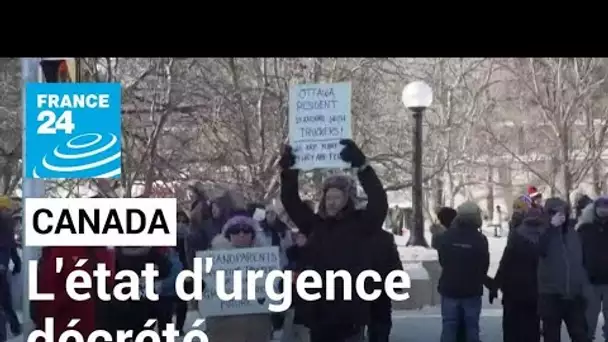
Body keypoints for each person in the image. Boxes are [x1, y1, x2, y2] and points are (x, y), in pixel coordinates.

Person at [279, 139, 388, 342]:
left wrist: (363, 167)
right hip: (319, 313)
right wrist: (289, 171)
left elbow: (379, 201)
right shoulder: (315, 225)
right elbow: (291, 202)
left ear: (348, 200)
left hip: (350, 314)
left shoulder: (361, 225)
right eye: (329, 197)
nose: (332, 202)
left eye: (337, 197)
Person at [205, 215, 273, 341]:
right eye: (235, 231)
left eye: (246, 231)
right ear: (228, 235)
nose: (241, 234)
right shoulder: (212, 260)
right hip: (223, 323)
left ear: (253, 234)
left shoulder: (266, 260)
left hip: (256, 322)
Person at [537, 197, 589, 342]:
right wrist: (551, 228)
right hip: (551, 295)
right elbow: (538, 250)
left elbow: (582, 261)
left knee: (580, 335)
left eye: (563, 212)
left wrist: (583, 288)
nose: (560, 216)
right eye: (555, 212)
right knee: (551, 336)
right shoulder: (541, 231)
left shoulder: (573, 233)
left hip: (574, 295)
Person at [436, 201, 489, 342]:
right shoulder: (480, 239)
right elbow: (484, 265)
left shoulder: (446, 236)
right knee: (472, 327)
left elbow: (443, 260)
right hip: (471, 290)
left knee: (449, 326)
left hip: (449, 288)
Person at [492, 207, 544, 342]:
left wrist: (495, 285)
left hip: (512, 290)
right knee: (532, 328)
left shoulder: (516, 234)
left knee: (512, 329)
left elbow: (505, 262)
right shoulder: (545, 236)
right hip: (535, 291)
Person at [577, 196, 608, 340]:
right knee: (588, 321)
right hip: (590, 282)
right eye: (601, 207)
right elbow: (576, 254)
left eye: (606, 207)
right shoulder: (584, 229)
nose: (604, 210)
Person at [367, 229, 403, 342]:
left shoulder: (352, 233)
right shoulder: (385, 237)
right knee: (382, 322)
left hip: (361, 286)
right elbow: (394, 262)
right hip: (381, 285)